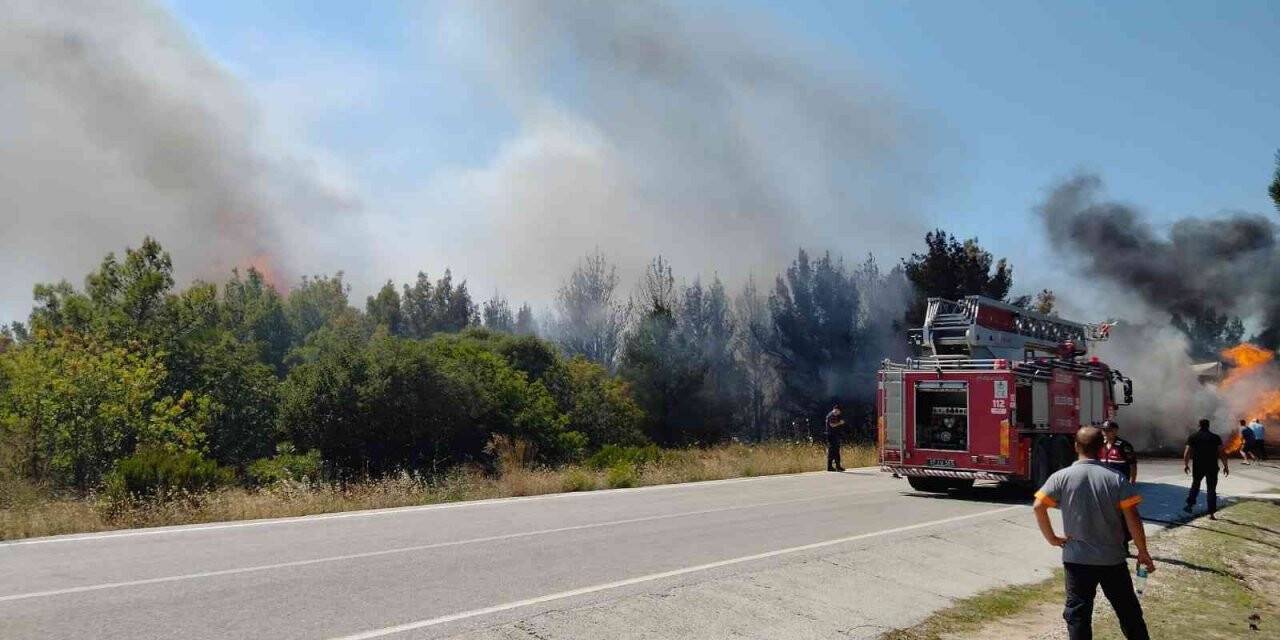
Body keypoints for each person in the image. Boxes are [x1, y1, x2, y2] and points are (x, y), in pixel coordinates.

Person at [1034, 426, 1153, 640]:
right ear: (1101, 448)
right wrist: (1143, 552)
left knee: (1078, 614)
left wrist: (1052, 538)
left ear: (1076, 446)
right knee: (1128, 612)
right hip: (1112, 560)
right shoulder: (1116, 479)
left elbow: (1038, 506)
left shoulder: (1061, 477)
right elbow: (1133, 518)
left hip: (1077, 559)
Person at [1183, 418, 1229, 520]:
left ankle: (1189, 505)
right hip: (1212, 466)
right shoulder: (1215, 437)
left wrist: (1186, 465)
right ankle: (1211, 513)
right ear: (1208, 426)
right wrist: (1226, 466)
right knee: (1211, 489)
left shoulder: (1193, 437)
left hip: (1198, 466)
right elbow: (1222, 453)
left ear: (1199, 425)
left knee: (1195, 485)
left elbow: (1187, 452)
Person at [825, 402, 845, 472]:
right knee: (833, 450)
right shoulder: (831, 415)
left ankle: (837, 466)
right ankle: (831, 466)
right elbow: (832, 425)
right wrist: (840, 423)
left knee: (835, 450)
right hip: (831, 435)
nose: (839, 413)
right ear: (836, 410)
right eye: (839, 411)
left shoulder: (835, 415)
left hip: (834, 435)